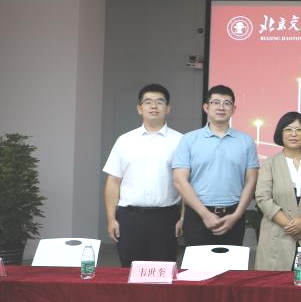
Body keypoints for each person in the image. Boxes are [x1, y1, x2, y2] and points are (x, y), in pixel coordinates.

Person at [102, 83, 184, 266]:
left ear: (168, 108)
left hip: (166, 218)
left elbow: (187, 184)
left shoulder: (181, 141)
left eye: (159, 102)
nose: (153, 106)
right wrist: (111, 219)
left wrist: (182, 219)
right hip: (130, 218)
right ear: (139, 109)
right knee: (130, 272)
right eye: (148, 102)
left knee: (163, 273)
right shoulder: (124, 141)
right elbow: (113, 181)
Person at [172, 84, 259, 247]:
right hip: (197, 215)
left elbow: (251, 181)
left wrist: (236, 216)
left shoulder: (246, 141)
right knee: (197, 264)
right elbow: (179, 181)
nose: (221, 107)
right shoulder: (189, 140)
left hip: (233, 215)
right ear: (206, 107)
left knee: (231, 264)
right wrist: (205, 214)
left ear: (233, 109)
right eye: (216, 102)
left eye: (227, 103)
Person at [254, 112, 301, 272]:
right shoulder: (269, 163)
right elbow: (262, 198)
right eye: (288, 129)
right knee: (275, 283)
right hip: (276, 234)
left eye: (299, 130)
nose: (294, 134)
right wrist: (290, 226)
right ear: (280, 133)